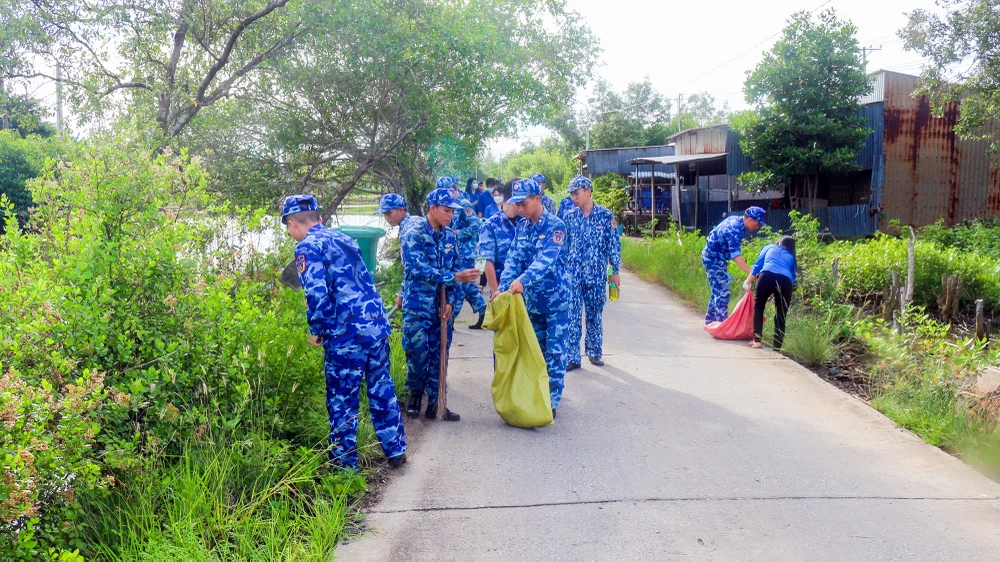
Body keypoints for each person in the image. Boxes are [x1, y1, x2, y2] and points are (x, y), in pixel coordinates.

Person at [282, 194, 407, 470]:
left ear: (292, 224)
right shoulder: (345, 239)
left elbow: (316, 294)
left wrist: (317, 329)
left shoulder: (307, 247)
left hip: (346, 334)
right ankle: (396, 451)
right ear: (319, 218)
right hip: (375, 325)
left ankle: (344, 466)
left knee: (342, 399)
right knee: (381, 389)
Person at [400, 188, 480, 421]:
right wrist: (453, 278)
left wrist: (452, 303)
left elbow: (456, 268)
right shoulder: (414, 234)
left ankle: (436, 403)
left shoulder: (450, 236)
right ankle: (416, 395)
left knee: (440, 353)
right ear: (432, 209)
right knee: (417, 352)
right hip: (417, 305)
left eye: (453, 211)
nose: (450, 215)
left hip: (442, 306)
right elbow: (419, 268)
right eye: (446, 210)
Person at [498, 178, 571, 418]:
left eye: (524, 203)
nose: (520, 208)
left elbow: (545, 261)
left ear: (538, 199)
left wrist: (521, 281)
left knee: (555, 351)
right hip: (533, 302)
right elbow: (513, 258)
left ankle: (552, 400)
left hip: (556, 301)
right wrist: (503, 286)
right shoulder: (522, 226)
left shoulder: (555, 226)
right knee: (536, 351)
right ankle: (538, 393)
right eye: (517, 204)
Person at [563, 175, 621, 370]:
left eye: (576, 193)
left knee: (594, 314)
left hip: (596, 276)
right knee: (572, 315)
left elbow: (614, 246)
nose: (573, 197)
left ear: (588, 192)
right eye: (571, 194)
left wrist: (614, 272)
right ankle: (572, 356)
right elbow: (564, 247)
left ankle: (594, 351)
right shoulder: (569, 216)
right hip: (574, 275)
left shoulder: (605, 216)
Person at [701, 206, 767, 324]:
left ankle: (711, 322)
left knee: (718, 289)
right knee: (723, 292)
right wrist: (752, 273)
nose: (758, 227)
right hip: (713, 258)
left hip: (718, 259)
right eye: (757, 224)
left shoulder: (738, 222)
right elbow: (736, 255)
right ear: (750, 220)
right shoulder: (734, 228)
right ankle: (722, 324)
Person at [439, 176, 488, 329]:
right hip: (456, 253)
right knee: (469, 287)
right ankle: (484, 311)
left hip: (466, 253)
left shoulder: (464, 205)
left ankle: (450, 319)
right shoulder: (447, 204)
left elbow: (475, 226)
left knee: (459, 287)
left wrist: (457, 233)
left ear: (454, 188)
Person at [746, 236, 797, 350]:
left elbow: (757, 266)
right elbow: (792, 277)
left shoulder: (769, 247)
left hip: (766, 277)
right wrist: (776, 291)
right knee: (781, 314)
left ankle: (757, 340)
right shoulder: (791, 256)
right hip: (785, 282)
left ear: (779, 242)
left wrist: (747, 282)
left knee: (759, 306)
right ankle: (777, 347)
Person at [376, 193, 421, 312]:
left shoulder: (408, 232)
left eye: (389, 213)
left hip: (419, 293)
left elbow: (411, 268)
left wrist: (402, 295)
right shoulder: (415, 220)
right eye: (384, 214)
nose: (386, 218)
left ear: (401, 210)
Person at [478, 181, 520, 297]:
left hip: (528, 292)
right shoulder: (490, 226)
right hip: (503, 290)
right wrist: (496, 291)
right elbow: (487, 261)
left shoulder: (526, 222)